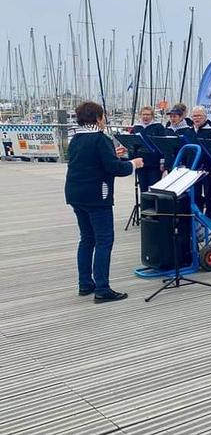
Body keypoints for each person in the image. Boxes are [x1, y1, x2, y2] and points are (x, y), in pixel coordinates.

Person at [65, 101, 144, 303]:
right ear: (99, 118)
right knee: (103, 240)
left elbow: (90, 161)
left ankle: (85, 283)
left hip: (76, 194)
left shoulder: (76, 138)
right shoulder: (101, 139)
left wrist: (112, 155)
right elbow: (114, 169)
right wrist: (132, 164)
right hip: (97, 196)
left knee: (86, 238)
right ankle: (102, 288)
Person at [191, 105, 211, 220]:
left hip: (208, 167)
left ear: (204, 117)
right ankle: (198, 215)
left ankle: (209, 216)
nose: (196, 118)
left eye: (199, 116)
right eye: (194, 116)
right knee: (196, 193)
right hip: (193, 167)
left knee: (209, 193)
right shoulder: (189, 131)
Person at [130, 105, 165, 192]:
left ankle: (154, 205)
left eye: (148, 115)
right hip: (140, 163)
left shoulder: (158, 127)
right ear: (140, 116)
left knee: (154, 186)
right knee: (143, 187)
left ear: (152, 116)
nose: (145, 117)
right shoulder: (136, 128)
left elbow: (162, 146)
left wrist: (162, 161)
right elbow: (131, 145)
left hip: (154, 163)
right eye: (143, 114)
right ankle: (144, 205)